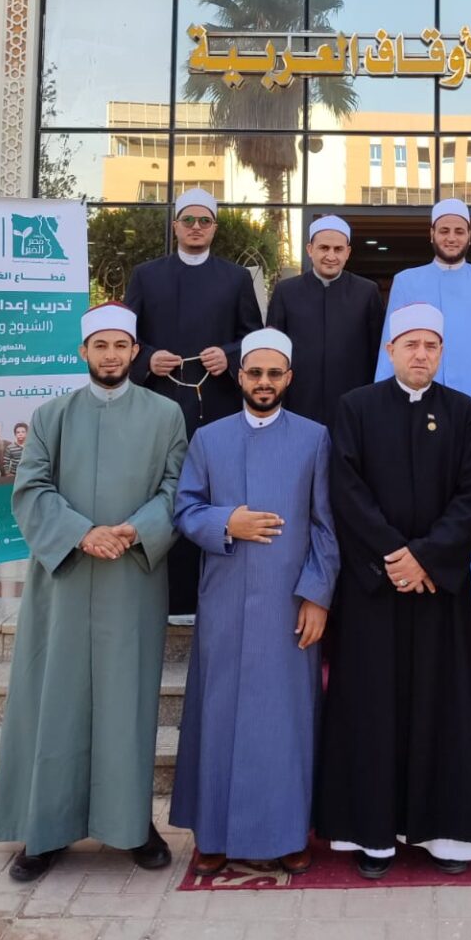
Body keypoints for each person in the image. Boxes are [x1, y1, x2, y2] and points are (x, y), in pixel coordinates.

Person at [0, 303, 187, 882]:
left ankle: (131, 825)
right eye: (100, 345)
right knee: (56, 700)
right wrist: (82, 533)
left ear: (135, 352)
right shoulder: (51, 415)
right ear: (83, 351)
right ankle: (45, 830)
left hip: (132, 577)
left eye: (120, 345)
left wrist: (136, 529)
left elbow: (177, 488)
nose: (110, 355)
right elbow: (31, 489)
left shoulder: (165, 415)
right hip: (66, 578)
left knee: (128, 703)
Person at [317, 303, 471, 879]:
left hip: (437, 589)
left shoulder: (463, 411)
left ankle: (447, 835)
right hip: (375, 588)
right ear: (390, 349)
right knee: (372, 708)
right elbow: (346, 491)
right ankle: (373, 836)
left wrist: (428, 559)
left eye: (431, 346)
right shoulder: (356, 407)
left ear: (442, 353)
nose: (421, 354)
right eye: (411, 344)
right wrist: (395, 557)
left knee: (444, 706)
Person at [170, 328, 339, 877]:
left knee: (284, 721)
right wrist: (228, 522)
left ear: (288, 378)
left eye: (274, 374)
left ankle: (287, 833)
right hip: (225, 601)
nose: (264, 383)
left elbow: (326, 525)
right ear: (239, 376)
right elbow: (185, 509)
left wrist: (317, 596)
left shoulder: (315, 438)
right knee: (219, 717)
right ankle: (214, 834)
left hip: (289, 606)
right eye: (255, 373)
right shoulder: (208, 439)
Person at [124, 187, 263, 618]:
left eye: (205, 221)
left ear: (214, 228)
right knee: (160, 490)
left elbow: (253, 338)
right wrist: (148, 358)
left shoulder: (235, 279)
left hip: (216, 405)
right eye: (189, 220)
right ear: (176, 226)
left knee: (213, 492)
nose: (197, 228)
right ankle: (163, 596)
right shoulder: (147, 275)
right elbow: (126, 338)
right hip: (159, 403)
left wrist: (230, 355)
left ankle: (212, 593)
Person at [375, 200, 471, 605]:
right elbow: (390, 349)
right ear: (431, 234)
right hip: (415, 409)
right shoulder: (406, 280)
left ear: (470, 236)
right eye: (444, 230)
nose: (452, 238)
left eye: (459, 231)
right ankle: (417, 575)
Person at [266, 215, 384, 428]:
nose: (331, 256)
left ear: (348, 252)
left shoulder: (367, 292)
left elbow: (377, 353)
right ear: (310, 250)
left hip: (353, 405)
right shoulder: (286, 292)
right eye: (324, 248)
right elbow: (273, 351)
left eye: (338, 249)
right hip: (298, 404)